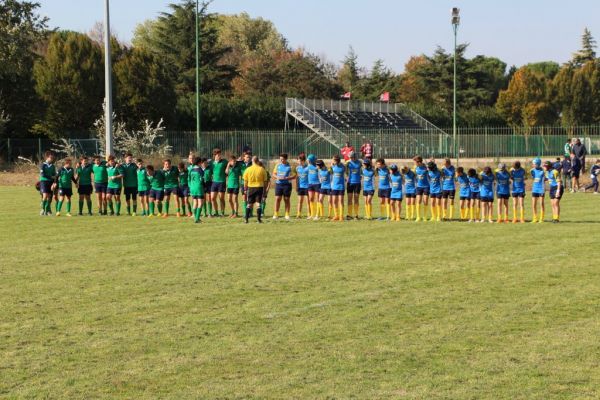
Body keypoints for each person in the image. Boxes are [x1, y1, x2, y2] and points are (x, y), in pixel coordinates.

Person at [242, 155, 268, 223]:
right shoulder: (262, 169)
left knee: (249, 204)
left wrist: (245, 189)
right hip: (259, 188)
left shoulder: (248, 169)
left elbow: (245, 181)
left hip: (251, 188)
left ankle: (246, 219)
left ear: (252, 161)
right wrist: (265, 190)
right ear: (258, 161)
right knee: (258, 204)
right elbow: (265, 181)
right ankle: (259, 219)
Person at [272, 153, 295, 220]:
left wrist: (288, 178)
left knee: (286, 199)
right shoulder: (278, 165)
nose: (281, 160)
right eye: (280, 159)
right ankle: (276, 214)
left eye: (282, 159)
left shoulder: (290, 166)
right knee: (277, 199)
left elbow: (294, 175)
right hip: (279, 184)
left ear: (286, 159)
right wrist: (277, 177)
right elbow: (274, 174)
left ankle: (287, 214)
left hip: (287, 185)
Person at [211, 149, 228, 216]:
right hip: (214, 182)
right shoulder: (211, 163)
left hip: (222, 182)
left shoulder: (224, 162)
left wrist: (226, 174)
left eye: (220, 154)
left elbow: (230, 165)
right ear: (214, 155)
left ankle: (222, 212)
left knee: (221, 198)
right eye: (218, 154)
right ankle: (216, 212)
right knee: (212, 198)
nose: (219, 155)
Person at [188, 157, 205, 223]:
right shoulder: (200, 170)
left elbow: (189, 179)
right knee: (200, 203)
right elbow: (202, 179)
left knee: (195, 202)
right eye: (201, 162)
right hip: (199, 187)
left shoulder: (191, 169)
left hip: (192, 187)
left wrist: (190, 186)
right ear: (199, 162)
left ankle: (196, 217)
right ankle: (197, 219)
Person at [346, 151, 362, 220]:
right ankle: (349, 215)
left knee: (356, 199)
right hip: (350, 183)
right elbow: (344, 170)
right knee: (349, 199)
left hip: (357, 183)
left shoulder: (360, 162)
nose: (351, 158)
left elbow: (365, 167)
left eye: (352, 157)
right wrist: (347, 176)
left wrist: (361, 175)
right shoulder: (347, 163)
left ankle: (356, 215)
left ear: (355, 156)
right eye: (350, 157)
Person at [330, 155, 346, 221]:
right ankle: (336, 215)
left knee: (341, 201)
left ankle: (341, 216)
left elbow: (344, 166)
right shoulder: (333, 166)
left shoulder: (342, 167)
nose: (333, 161)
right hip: (334, 186)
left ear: (337, 160)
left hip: (341, 186)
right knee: (334, 201)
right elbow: (330, 173)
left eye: (334, 160)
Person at [413, 156, 430, 222]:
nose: (414, 163)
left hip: (426, 186)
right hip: (419, 186)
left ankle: (425, 217)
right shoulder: (415, 167)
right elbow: (414, 175)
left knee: (425, 201)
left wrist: (429, 169)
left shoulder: (426, 167)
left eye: (415, 162)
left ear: (419, 162)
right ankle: (418, 217)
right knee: (418, 200)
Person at [530, 158, 546, 223]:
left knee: (541, 204)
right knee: (533, 204)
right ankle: (535, 218)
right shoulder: (532, 171)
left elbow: (546, 178)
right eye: (533, 164)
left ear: (538, 164)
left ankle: (541, 218)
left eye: (534, 164)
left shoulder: (543, 171)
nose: (533, 165)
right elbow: (533, 177)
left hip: (541, 189)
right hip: (534, 189)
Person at [295, 154, 310, 218]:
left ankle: (309, 214)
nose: (299, 162)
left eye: (300, 161)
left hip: (307, 187)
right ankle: (298, 214)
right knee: (300, 201)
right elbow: (297, 177)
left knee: (308, 201)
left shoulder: (308, 168)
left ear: (304, 161)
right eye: (298, 161)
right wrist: (297, 186)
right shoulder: (297, 168)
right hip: (300, 187)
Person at [306, 154, 320, 220]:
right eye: (307, 159)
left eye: (308, 159)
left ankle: (317, 215)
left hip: (317, 184)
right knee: (311, 198)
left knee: (318, 199)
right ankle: (312, 214)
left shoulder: (318, 165)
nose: (307, 160)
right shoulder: (308, 166)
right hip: (310, 184)